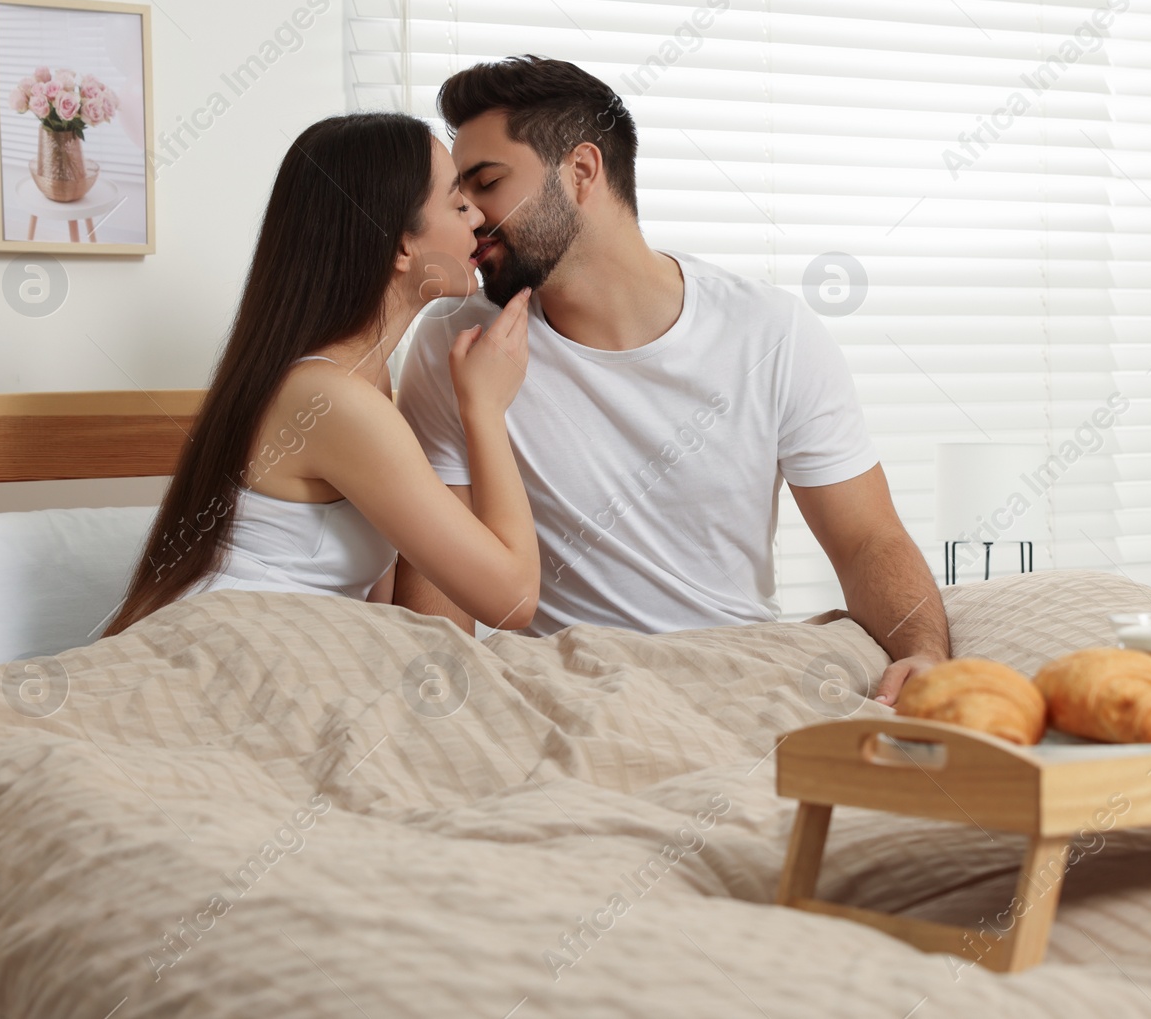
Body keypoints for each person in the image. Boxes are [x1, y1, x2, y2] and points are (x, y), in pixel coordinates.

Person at [393, 56, 949, 704]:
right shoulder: (456, 346)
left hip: (739, 685)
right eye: (458, 195)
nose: (469, 216)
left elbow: (866, 539)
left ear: (580, 172)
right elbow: (439, 583)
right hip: (563, 700)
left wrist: (924, 650)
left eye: (485, 183)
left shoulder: (771, 333)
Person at [105, 112, 539, 637]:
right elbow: (513, 601)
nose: (478, 218)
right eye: (457, 202)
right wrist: (485, 408)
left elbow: (371, 597)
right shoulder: (333, 401)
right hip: (214, 652)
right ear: (402, 246)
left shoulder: (355, 383)